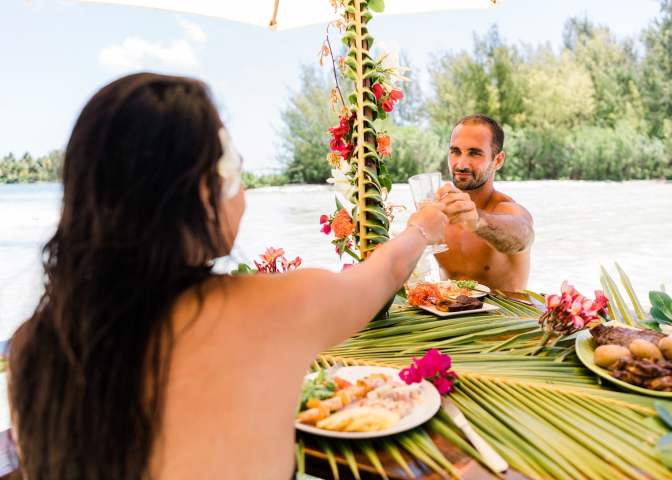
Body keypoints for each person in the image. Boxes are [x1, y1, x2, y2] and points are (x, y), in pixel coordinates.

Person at [7, 73, 448, 480]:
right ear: (203, 192)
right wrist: (423, 227)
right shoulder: (275, 308)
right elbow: (385, 271)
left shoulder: (32, 348)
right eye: (234, 169)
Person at [435, 114, 534, 291]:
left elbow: (523, 235)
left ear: (498, 160)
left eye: (474, 153)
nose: (461, 164)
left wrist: (477, 221)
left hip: (502, 317)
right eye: (455, 151)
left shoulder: (505, 209)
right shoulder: (438, 209)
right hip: (447, 315)